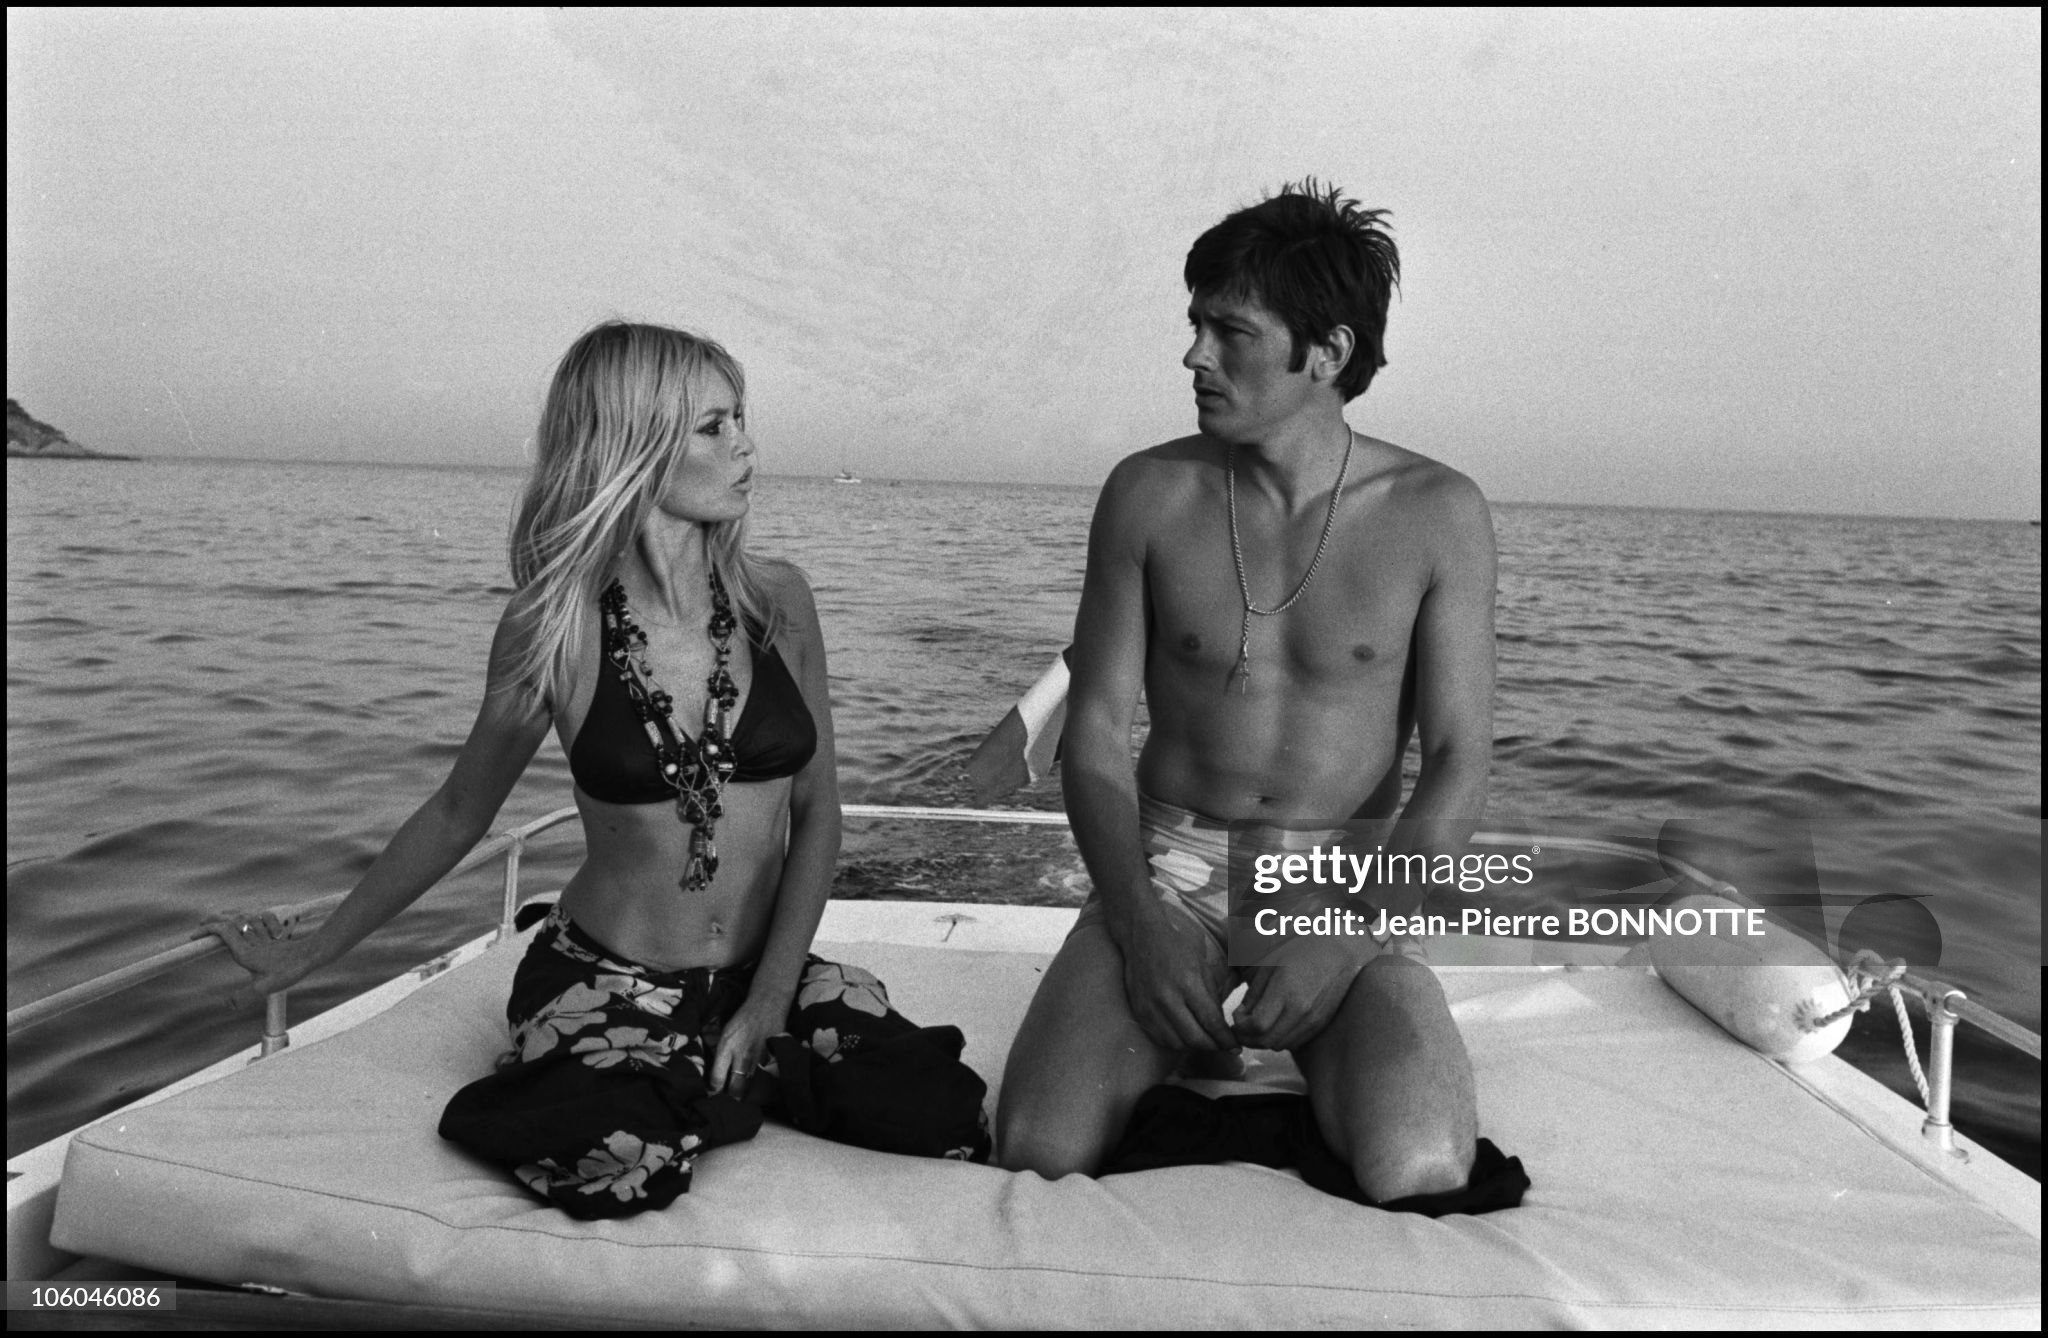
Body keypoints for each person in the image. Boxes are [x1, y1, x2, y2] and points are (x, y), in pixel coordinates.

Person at [202, 321, 989, 1219]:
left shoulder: (780, 601)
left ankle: (707, 1073)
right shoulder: (553, 627)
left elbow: (819, 812)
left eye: (741, 420)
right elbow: (460, 811)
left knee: (940, 1116)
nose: (748, 447)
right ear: (632, 447)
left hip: (761, 967)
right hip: (612, 968)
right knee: (613, 1162)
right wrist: (314, 949)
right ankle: (674, 1075)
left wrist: (772, 996)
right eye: (714, 427)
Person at [998, 181, 1504, 1207]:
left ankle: (1275, 1051)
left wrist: (1352, 930)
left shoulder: (1436, 514)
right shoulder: (1146, 493)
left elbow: (1457, 757)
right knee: (1037, 1149)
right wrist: (1136, 924)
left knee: (1418, 1162)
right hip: (1166, 870)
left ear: (1324, 351)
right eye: (1194, 325)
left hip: (1334, 885)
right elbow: (1092, 735)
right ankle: (1179, 1033)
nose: (1192, 355)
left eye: (1227, 331)